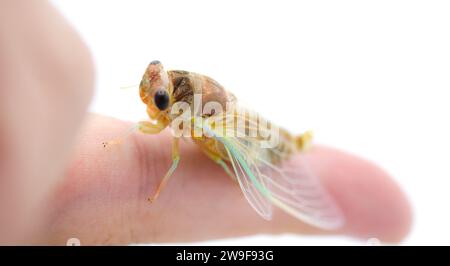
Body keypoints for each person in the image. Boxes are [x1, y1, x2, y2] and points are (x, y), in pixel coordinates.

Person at [0, 1, 411, 245]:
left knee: (238, 172)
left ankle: (291, 146)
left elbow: (175, 161)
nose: (152, 98)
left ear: (173, 103)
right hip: (220, 116)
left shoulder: (191, 119)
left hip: (249, 139)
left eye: (159, 97)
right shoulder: (179, 96)